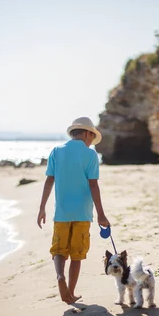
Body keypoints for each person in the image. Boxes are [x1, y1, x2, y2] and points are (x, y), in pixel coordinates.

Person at [37, 117, 110, 304]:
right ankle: (70, 291)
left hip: (61, 212)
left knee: (59, 250)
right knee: (77, 254)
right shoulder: (90, 155)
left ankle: (60, 277)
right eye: (91, 137)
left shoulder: (56, 151)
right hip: (82, 213)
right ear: (86, 133)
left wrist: (42, 208)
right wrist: (101, 214)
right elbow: (93, 186)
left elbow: (49, 181)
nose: (91, 141)